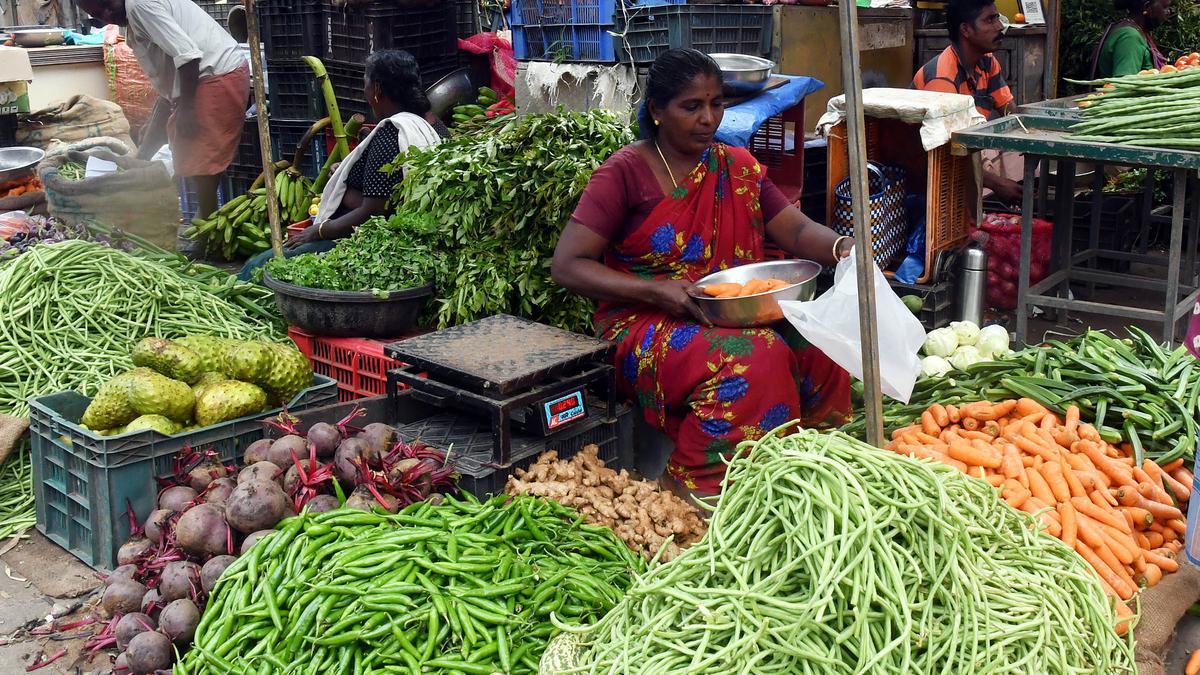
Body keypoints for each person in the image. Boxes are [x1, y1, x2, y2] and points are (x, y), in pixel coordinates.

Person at [551, 49, 853, 498]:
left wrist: (844, 248)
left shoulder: (735, 165)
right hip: (644, 320)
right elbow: (568, 265)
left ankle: (807, 470)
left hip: (728, 311)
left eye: (716, 104)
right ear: (656, 111)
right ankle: (694, 495)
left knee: (823, 343)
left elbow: (796, 228)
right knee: (755, 359)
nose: (708, 118)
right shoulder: (625, 173)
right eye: (691, 106)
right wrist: (656, 292)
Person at [239, 50, 447, 280]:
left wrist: (317, 231)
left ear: (377, 90)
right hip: (389, 236)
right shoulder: (436, 128)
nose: (364, 90)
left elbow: (374, 212)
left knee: (257, 269)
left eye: (365, 82)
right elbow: (389, 195)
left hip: (359, 244)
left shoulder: (391, 134)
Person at [77, 0, 249, 220]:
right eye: (98, 13)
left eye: (108, 5)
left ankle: (206, 223)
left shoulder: (139, 6)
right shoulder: (131, 14)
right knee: (160, 132)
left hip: (214, 73)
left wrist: (187, 110)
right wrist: (142, 157)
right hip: (193, 77)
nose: (107, 13)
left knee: (199, 152)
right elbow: (169, 87)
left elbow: (188, 56)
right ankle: (142, 179)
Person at [912, 0, 1023, 204]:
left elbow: (1010, 112)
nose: (999, 26)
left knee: (1024, 160)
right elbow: (945, 156)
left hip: (964, 152)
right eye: (990, 20)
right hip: (930, 170)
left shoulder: (987, 62)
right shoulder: (942, 79)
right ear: (965, 29)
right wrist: (997, 183)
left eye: (997, 18)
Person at [1093, 0, 1171, 78]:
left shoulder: (1132, 30)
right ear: (1147, 7)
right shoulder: (1130, 37)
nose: (1169, 12)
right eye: (1165, 7)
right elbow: (1124, 85)